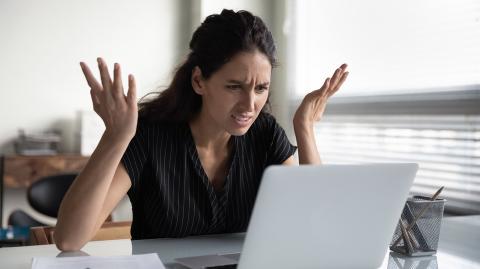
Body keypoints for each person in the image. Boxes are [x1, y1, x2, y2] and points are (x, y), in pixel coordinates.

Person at [55, 9, 348, 251]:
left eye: (261, 88)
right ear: (199, 81)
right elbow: (69, 239)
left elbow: (316, 225)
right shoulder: (149, 134)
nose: (250, 104)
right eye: (235, 86)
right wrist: (116, 136)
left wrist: (305, 128)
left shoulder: (265, 133)